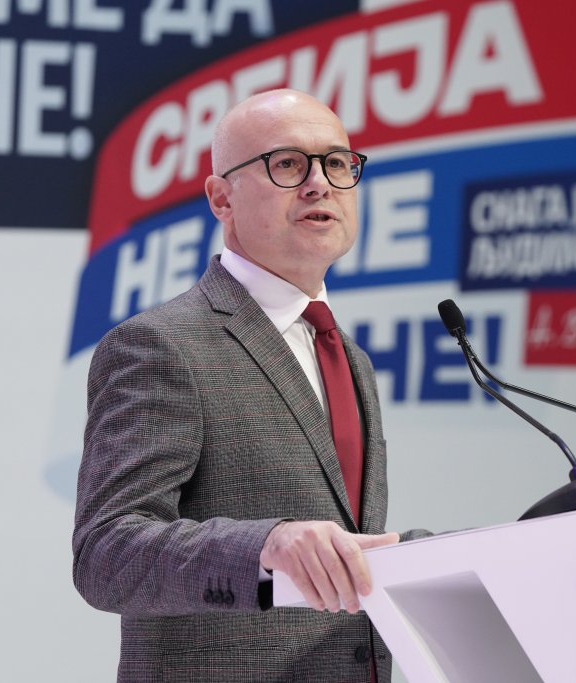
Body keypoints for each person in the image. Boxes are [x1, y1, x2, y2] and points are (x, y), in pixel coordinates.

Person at [73, 89, 425, 682]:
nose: (320, 184)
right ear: (221, 198)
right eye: (287, 164)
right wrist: (264, 547)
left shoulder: (349, 358)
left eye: (337, 163)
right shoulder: (161, 345)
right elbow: (106, 554)